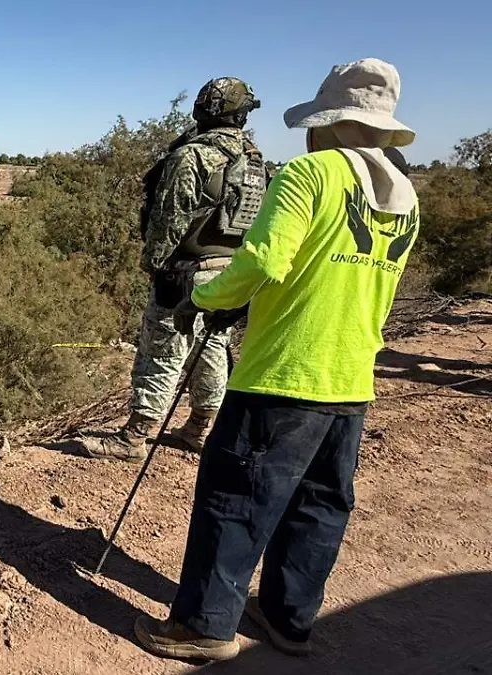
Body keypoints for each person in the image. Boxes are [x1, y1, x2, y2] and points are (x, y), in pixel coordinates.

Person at [134, 58, 419, 661]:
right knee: (319, 504)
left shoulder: (311, 176)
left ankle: (203, 626)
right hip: (352, 377)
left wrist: (207, 296)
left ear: (331, 124)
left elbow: (262, 262)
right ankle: (290, 620)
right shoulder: (405, 194)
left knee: (234, 497)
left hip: (283, 372)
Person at [75, 77, 269, 460]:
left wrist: (155, 265)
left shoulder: (193, 156)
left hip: (184, 270)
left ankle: (134, 437)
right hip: (230, 270)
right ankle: (198, 428)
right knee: (212, 344)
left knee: (161, 348)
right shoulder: (256, 161)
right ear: (242, 114)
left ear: (201, 111)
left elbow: (169, 219)